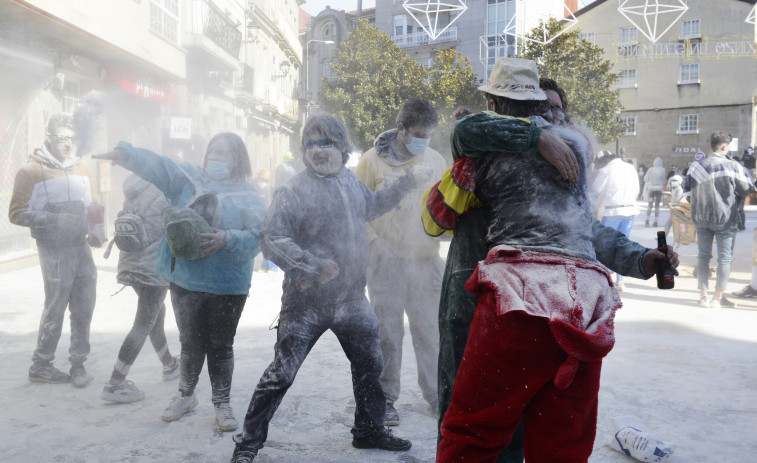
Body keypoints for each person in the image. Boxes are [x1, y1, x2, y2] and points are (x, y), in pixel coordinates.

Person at [428, 57, 679, 463]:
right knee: (517, 436)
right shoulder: (487, 143)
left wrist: (641, 258)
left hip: (519, 299)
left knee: (484, 434)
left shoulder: (565, 156)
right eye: (542, 109)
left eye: (556, 110)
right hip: (494, 300)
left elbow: (585, 229)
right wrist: (534, 138)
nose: (550, 118)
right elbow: (464, 137)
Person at [230, 114, 430, 463]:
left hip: (352, 298)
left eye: (325, 142)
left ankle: (369, 428)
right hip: (306, 302)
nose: (317, 150)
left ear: (342, 147)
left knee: (370, 363)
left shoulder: (350, 183)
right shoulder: (293, 190)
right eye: (310, 144)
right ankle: (248, 442)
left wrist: (407, 182)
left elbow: (373, 205)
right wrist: (312, 264)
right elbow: (272, 239)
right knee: (282, 372)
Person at [93, 133, 266, 432]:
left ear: (238, 159)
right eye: (212, 150)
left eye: (223, 153)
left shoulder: (250, 196)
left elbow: (259, 236)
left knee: (221, 346)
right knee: (190, 344)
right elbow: (160, 167)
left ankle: (222, 403)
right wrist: (127, 154)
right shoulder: (188, 181)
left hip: (228, 284)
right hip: (185, 279)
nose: (215, 157)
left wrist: (228, 238)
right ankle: (186, 396)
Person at [354, 98, 447, 426]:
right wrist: (373, 241)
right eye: (418, 133)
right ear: (401, 129)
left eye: (429, 133)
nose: (424, 139)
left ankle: (437, 396)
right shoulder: (370, 162)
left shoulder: (435, 160)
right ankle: (385, 399)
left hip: (425, 262)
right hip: (386, 264)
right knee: (386, 335)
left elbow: (448, 205)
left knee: (430, 333)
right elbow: (356, 209)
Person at [8, 113, 100, 388]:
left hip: (81, 246)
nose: (68, 144)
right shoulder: (31, 172)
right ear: (49, 137)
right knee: (57, 305)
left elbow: (93, 204)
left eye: (71, 138)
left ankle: (78, 364)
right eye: (62, 138)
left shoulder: (81, 168)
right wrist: (52, 219)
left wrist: (96, 229)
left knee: (84, 305)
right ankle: (41, 364)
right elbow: (15, 214)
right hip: (53, 249)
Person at [100, 174, 179, 403]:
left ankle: (169, 364)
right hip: (153, 266)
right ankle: (115, 383)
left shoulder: (135, 187)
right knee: (144, 322)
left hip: (131, 262)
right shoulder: (163, 189)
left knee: (155, 313)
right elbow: (169, 227)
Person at [686, 131, 755, 309]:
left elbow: (687, 194)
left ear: (711, 146)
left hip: (701, 218)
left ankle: (703, 297)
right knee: (724, 258)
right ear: (725, 147)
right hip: (725, 219)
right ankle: (718, 298)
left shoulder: (696, 166)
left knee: (703, 257)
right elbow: (747, 189)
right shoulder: (732, 166)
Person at [590, 150, 641, 291]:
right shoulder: (630, 168)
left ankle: (606, 279)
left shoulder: (606, 170)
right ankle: (620, 280)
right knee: (623, 244)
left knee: (606, 245)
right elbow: (637, 190)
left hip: (612, 211)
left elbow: (595, 190)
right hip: (630, 211)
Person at [644, 157, 666, 227]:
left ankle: (647, 221)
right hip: (659, 189)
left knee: (650, 205)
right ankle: (655, 221)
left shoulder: (651, 169)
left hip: (651, 189)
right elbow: (663, 179)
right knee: (657, 206)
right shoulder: (663, 169)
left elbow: (645, 179)